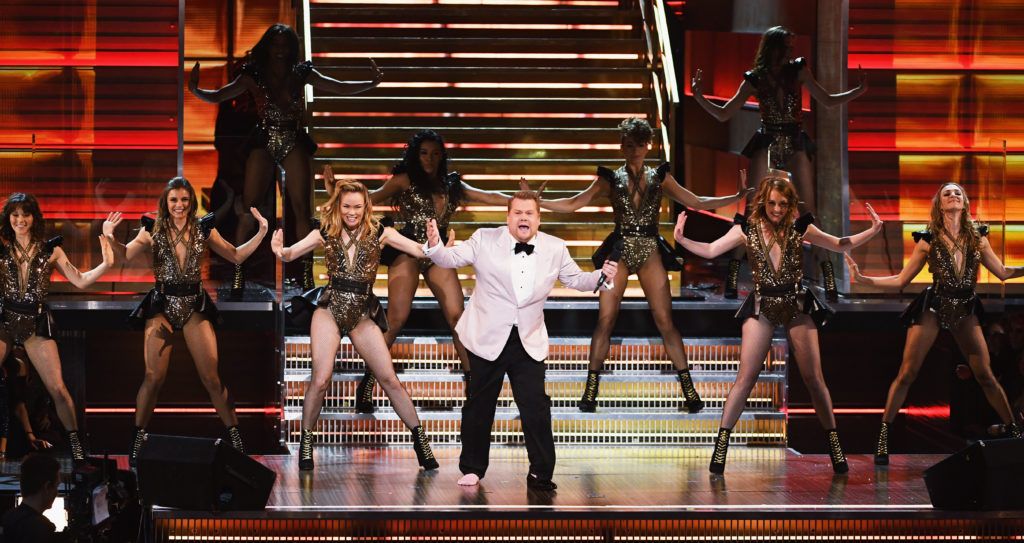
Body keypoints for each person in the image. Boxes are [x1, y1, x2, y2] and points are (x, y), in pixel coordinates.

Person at [673, 171, 882, 474]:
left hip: (796, 302)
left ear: (790, 204)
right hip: (762, 303)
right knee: (745, 378)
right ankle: (720, 450)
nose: (777, 209)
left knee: (814, 379)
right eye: (772, 203)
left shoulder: (801, 227)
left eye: (783, 204)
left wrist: (872, 231)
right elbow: (711, 249)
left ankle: (836, 448)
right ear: (763, 202)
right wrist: (681, 239)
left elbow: (838, 244)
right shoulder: (748, 228)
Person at [534, 118, 748, 413]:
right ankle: (590, 392)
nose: (634, 150)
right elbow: (574, 203)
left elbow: (695, 200)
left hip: (649, 249)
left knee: (665, 321)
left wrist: (735, 197)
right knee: (606, 319)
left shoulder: (660, 176)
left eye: (639, 145)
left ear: (649, 146)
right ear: (622, 146)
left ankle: (689, 391)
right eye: (629, 145)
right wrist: (539, 202)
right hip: (619, 250)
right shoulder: (609, 179)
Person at [423, 190, 619, 491]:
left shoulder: (555, 247)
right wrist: (435, 243)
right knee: (479, 405)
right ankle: (473, 467)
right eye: (518, 212)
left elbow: (577, 280)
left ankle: (541, 472)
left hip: (528, 338)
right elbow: (449, 258)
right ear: (508, 217)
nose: (523, 217)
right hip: (488, 336)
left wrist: (601, 277)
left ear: (538, 219)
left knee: (535, 406)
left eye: (529, 213)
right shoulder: (484, 239)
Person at [188, 23, 382, 288]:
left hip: (293, 139)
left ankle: (305, 273)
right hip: (264, 139)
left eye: (285, 45)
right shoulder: (253, 73)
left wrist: (370, 83)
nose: (280, 50)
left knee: (302, 210)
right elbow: (221, 94)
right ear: (268, 46)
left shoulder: (301, 72)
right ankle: (238, 272)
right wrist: (197, 90)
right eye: (276, 44)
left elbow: (338, 87)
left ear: (292, 48)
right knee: (249, 208)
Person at [844, 183, 1024, 465]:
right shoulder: (927, 238)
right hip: (935, 303)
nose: (953, 196)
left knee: (985, 374)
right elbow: (902, 280)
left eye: (957, 193)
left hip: (964, 305)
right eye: (947, 193)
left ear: (965, 203)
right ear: (940, 205)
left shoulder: (978, 237)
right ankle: (883, 436)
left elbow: (1002, 272)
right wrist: (866, 280)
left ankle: (1014, 432)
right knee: (907, 372)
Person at [271, 177, 439, 472]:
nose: (352, 212)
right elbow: (291, 253)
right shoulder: (325, 231)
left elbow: (420, 250)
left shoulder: (380, 232)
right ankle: (306, 442)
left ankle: (420, 441)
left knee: (388, 379)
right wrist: (279, 250)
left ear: (366, 207)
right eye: (347, 206)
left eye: (357, 207)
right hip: (330, 308)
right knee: (320, 379)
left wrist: (434, 244)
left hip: (362, 312)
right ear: (338, 205)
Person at [690, 25, 867, 297]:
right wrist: (700, 96)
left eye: (791, 47)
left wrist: (857, 91)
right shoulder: (755, 78)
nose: (790, 51)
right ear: (773, 48)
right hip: (767, 139)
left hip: (795, 138)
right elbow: (725, 114)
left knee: (808, 213)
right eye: (786, 47)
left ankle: (827, 272)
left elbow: (828, 100)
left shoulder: (798, 70)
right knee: (753, 210)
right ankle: (735, 273)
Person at [349, 129, 517, 412]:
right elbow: (371, 198)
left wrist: (518, 198)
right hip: (407, 249)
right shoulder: (405, 180)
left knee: (458, 317)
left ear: (442, 157)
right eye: (424, 153)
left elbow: (486, 197)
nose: (430, 159)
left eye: (436, 154)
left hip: (438, 251)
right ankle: (368, 381)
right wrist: (339, 193)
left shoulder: (451, 185)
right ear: (416, 155)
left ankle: (473, 386)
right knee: (397, 318)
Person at [107, 178, 268, 466]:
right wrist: (110, 237)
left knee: (212, 378)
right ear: (165, 203)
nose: (179, 206)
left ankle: (236, 439)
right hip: (161, 305)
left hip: (194, 303)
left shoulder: (203, 227)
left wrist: (262, 231)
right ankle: (137, 440)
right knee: (153, 377)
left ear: (191, 201)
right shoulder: (151, 229)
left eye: (184, 200)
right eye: (174, 200)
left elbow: (236, 255)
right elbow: (125, 255)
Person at [0, 193, 116, 463]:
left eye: (25, 214)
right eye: (15, 215)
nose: (20, 220)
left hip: (36, 321)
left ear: (34, 217)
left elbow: (81, 281)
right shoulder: (2, 248)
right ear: (8, 218)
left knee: (58, 388)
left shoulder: (51, 250)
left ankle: (76, 445)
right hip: (4, 318)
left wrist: (107, 264)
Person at [0, 453, 69, 543]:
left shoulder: (8, 518)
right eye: (56, 486)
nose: (56, 493)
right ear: (47, 487)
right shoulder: (39, 528)